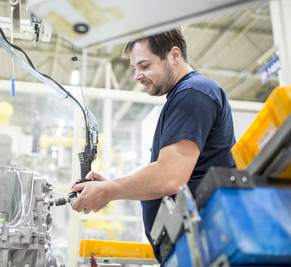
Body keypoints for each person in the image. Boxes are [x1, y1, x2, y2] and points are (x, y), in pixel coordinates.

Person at [70, 28, 236, 261]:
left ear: (174, 55)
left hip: (206, 246)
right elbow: (170, 176)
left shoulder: (194, 93)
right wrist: (111, 187)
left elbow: (169, 177)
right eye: (135, 68)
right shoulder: (183, 96)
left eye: (145, 66)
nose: (137, 75)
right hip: (194, 246)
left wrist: (109, 190)